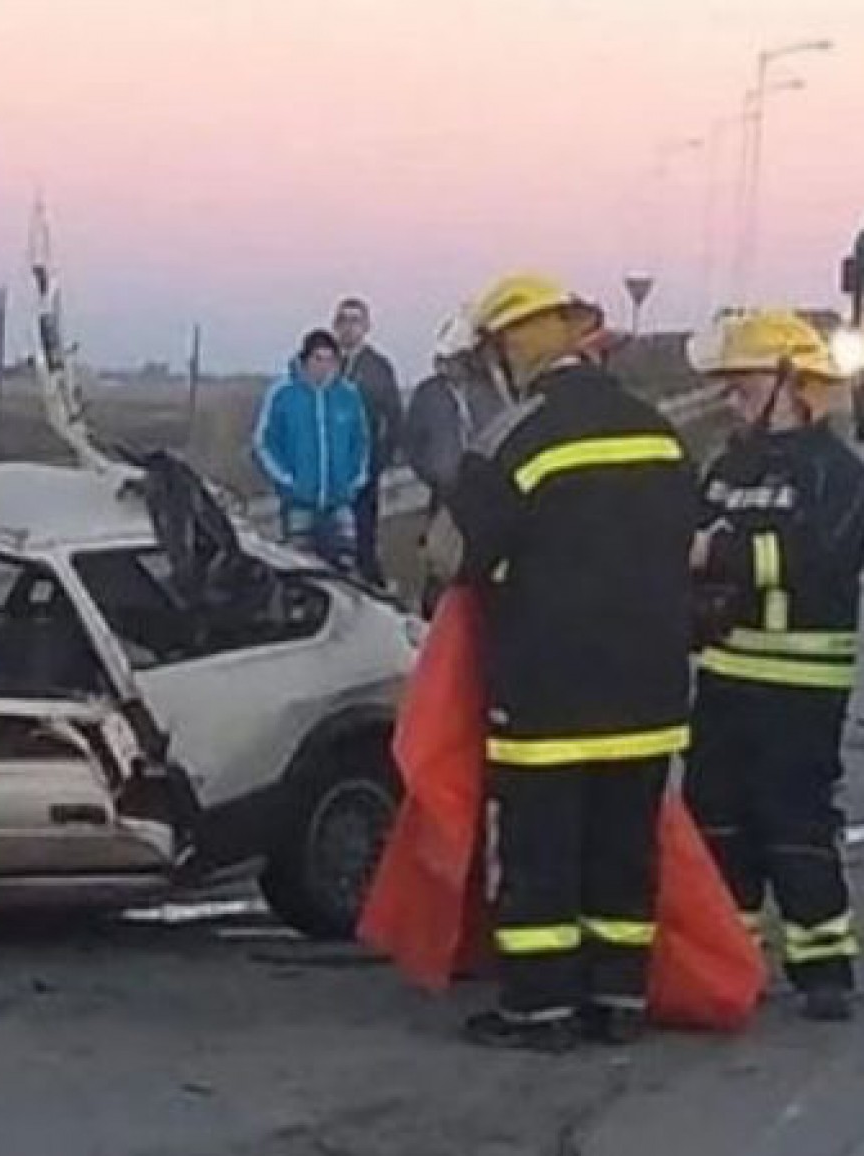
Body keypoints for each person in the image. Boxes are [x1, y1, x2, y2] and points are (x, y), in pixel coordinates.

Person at [432, 274, 695, 1051]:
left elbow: (452, 556)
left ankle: (539, 1009)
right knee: (625, 851)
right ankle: (619, 998)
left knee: (539, 852)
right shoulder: (658, 430)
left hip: (547, 688)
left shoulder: (512, 438)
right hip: (649, 685)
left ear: (508, 350)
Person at [686, 310, 864, 1024]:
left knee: (794, 823)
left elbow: (816, 556)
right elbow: (690, 539)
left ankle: (824, 966)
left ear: (795, 385)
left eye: (744, 385)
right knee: (717, 823)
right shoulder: (728, 467)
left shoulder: (839, 475)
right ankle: (730, 960)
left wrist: (718, 555)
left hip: (801, 684)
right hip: (724, 676)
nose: (732, 399)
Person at [406, 307, 508, 615]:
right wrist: (435, 473)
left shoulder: (488, 391)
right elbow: (413, 440)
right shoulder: (428, 394)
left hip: (485, 489)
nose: (455, 366)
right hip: (447, 489)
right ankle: (434, 615)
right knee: (441, 555)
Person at [254, 328, 371, 570]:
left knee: (346, 572)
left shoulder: (348, 396)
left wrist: (353, 481)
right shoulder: (283, 394)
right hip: (299, 503)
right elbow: (263, 443)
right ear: (305, 360)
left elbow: (361, 442)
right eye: (318, 359)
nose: (324, 367)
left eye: (330, 360)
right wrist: (288, 481)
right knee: (301, 572)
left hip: (340, 502)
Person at [332, 298, 403, 585]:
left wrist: (379, 461)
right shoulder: (324, 365)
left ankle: (372, 589)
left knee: (363, 540)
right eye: (343, 321)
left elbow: (394, 418)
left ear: (366, 327)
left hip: (363, 469)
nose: (349, 328)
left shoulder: (378, 367)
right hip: (325, 471)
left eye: (355, 321)